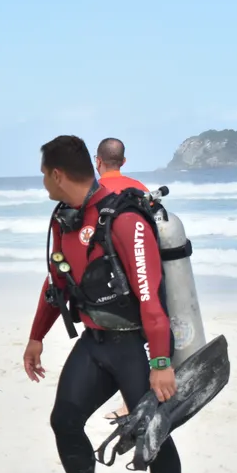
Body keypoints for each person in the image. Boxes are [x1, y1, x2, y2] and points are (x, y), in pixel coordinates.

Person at [23, 135, 181, 473]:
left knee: (155, 434)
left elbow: (149, 295)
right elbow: (57, 281)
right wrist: (37, 335)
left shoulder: (125, 220)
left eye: (43, 174)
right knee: (64, 422)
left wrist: (161, 361)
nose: (42, 182)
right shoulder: (63, 220)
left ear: (58, 174)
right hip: (94, 342)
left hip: (135, 348)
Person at [94, 136, 148, 419]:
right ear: (123, 162)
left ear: (97, 161)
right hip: (143, 273)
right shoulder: (140, 188)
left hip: (109, 279)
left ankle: (130, 403)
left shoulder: (95, 191)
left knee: (119, 344)